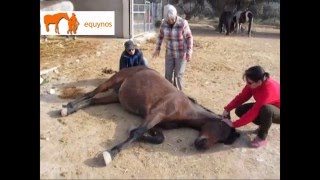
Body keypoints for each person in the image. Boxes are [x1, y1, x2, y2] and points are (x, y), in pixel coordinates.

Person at [221, 65, 280, 148]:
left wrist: (233, 124)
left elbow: (253, 113)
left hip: (277, 111)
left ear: (259, 82)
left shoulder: (268, 92)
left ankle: (262, 137)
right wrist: (227, 108)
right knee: (240, 110)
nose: (247, 84)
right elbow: (242, 97)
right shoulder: (254, 84)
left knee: (267, 110)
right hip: (266, 106)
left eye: (249, 82)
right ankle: (264, 124)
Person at [152, 4, 193, 91]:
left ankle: (178, 95)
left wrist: (189, 52)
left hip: (181, 53)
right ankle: (168, 94)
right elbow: (160, 36)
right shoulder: (163, 23)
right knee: (168, 75)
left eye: (173, 18)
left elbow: (189, 37)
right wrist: (157, 48)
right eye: (169, 19)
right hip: (170, 52)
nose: (172, 21)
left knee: (178, 76)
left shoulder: (183, 23)